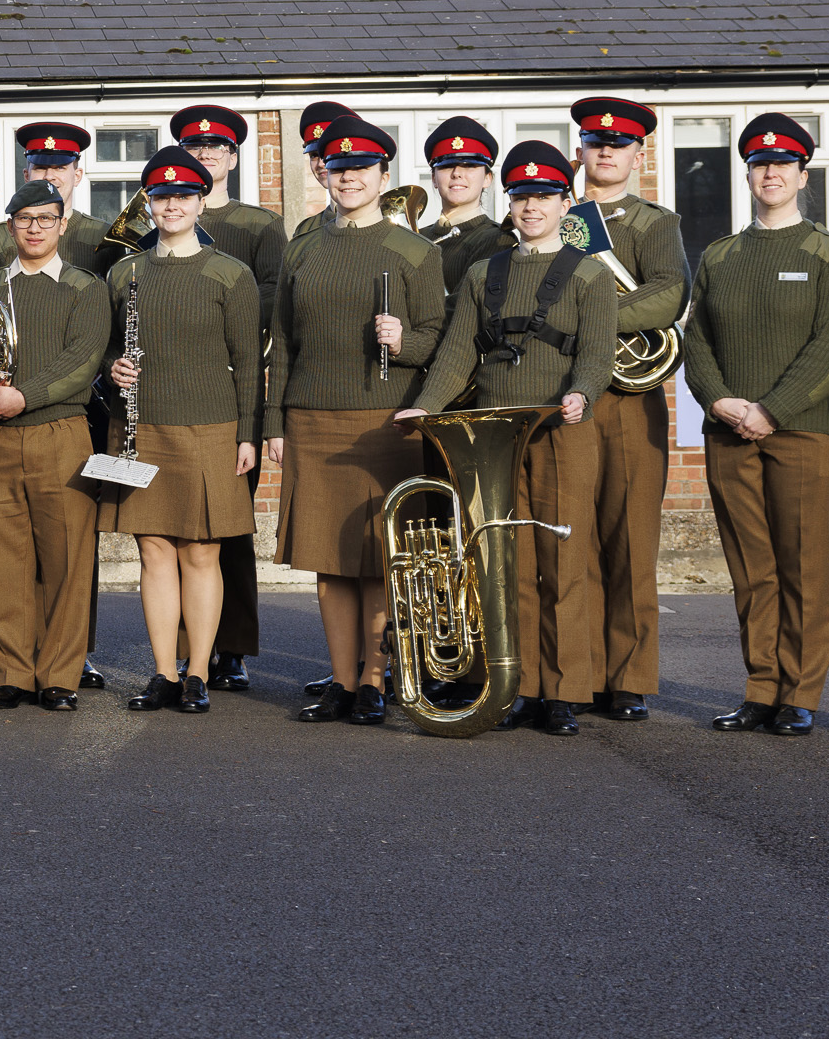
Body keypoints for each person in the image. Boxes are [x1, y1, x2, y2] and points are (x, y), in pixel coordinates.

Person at [397, 141, 617, 736]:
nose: (530, 207)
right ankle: (516, 683)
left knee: (564, 560)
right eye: (521, 197)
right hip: (494, 433)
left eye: (543, 196)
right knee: (503, 561)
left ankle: (564, 690)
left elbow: (598, 353)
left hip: (560, 429)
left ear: (566, 203)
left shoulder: (590, 274)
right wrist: (422, 407)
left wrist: (583, 393)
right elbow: (455, 356)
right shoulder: (481, 272)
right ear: (509, 200)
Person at [262, 120, 449, 726]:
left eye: (361, 168)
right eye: (337, 168)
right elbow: (283, 341)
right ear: (325, 173)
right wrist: (274, 421)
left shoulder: (417, 252)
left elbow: (444, 341)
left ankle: (374, 681)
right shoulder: (303, 248)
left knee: (377, 559)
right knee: (330, 560)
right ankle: (341, 682)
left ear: (383, 176)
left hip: (384, 424)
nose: (348, 177)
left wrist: (408, 342)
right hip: (312, 417)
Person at [683, 113, 829, 736]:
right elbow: (695, 339)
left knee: (802, 564)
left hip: (805, 430)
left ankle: (800, 693)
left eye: (783, 164)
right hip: (728, 428)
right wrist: (722, 401)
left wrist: (771, 410)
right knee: (749, 566)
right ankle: (761, 687)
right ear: (749, 174)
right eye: (760, 164)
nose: (771, 173)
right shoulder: (721, 255)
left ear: (803, 175)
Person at [98, 146, 261, 715]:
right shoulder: (124, 273)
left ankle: (198, 673)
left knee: (201, 551)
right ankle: (164, 671)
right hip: (140, 426)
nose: (171, 206)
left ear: (201, 202)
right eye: (161, 197)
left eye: (183, 196)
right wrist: (112, 369)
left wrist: (248, 435)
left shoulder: (231, 274)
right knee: (153, 551)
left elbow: (247, 359)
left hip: (210, 427)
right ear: (149, 203)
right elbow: (105, 351)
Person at [0, 180, 112, 710]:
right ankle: (11, 675)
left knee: (66, 559)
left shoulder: (86, 287)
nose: (36, 228)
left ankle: (60, 676)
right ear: (10, 226)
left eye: (46, 218)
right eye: (25, 219)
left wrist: (25, 395)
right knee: (4, 561)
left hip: (62, 433)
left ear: (63, 225)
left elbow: (83, 361)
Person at [567, 94, 690, 723]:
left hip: (629, 398)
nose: (606, 151)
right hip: (566, 398)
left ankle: (630, 676)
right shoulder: (562, 214)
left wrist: (589, 317)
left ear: (638, 154)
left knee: (629, 539)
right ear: (580, 150)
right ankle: (580, 672)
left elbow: (668, 297)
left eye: (618, 144)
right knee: (575, 537)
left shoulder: (654, 223)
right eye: (595, 142)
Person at [169, 103, 280, 692]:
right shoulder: (158, 216)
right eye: (196, 149)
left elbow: (271, 293)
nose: (206, 156)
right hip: (168, 390)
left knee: (226, 526)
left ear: (234, 158)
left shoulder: (259, 225)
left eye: (217, 150)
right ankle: (186, 651)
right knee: (173, 527)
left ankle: (230, 646)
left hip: (233, 382)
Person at [0, 122, 110, 276]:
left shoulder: (103, 237)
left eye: (60, 168)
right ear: (26, 176)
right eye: (40, 168)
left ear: (77, 176)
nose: (49, 177)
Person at [421, 117, 508, 300]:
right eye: (446, 166)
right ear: (434, 179)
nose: (457, 174)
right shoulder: (417, 237)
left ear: (487, 179)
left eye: (469, 166)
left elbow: (465, 305)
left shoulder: (499, 239)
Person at [287, 102, 357, 236]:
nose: (320, 163)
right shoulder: (306, 229)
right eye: (313, 156)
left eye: (327, 155)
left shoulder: (388, 220)